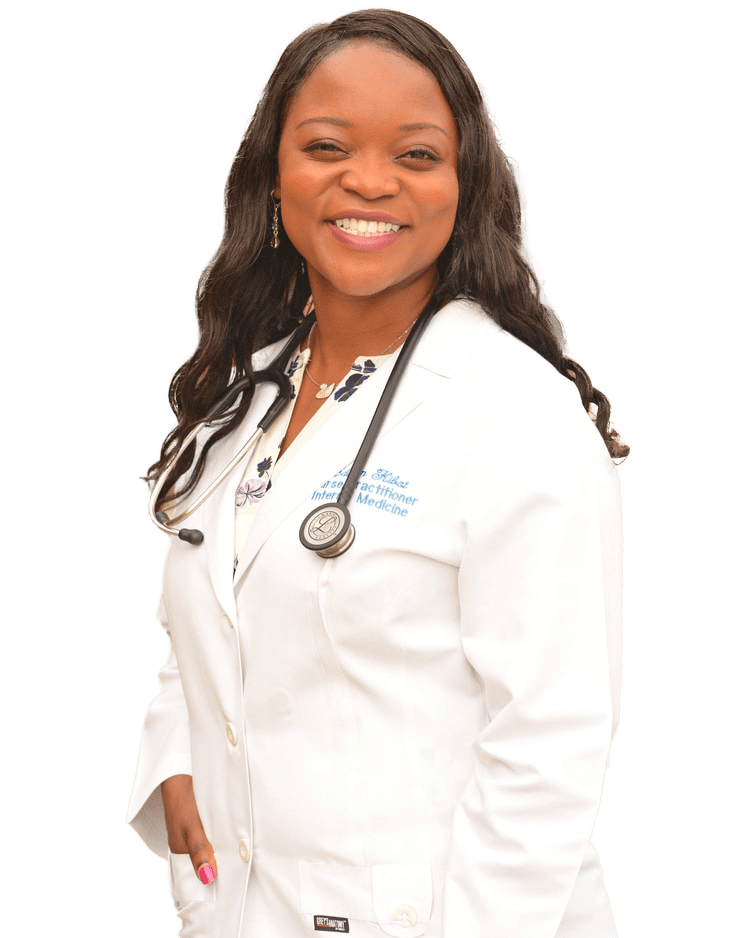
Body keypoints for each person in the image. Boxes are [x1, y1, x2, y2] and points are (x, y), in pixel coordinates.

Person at [127, 6, 630, 937]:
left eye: (416, 155)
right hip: (248, 909)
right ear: (273, 175)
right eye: (327, 145)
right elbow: (211, 621)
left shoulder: (513, 411)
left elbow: (548, 741)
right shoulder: (250, 390)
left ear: (464, 184)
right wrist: (174, 757)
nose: (368, 181)